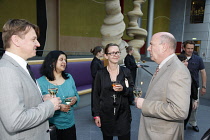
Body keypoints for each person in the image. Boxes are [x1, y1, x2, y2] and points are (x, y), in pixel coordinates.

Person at [0, 19, 61, 140]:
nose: (38, 44)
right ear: (16, 40)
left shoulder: (20, 67)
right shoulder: (6, 71)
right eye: (33, 39)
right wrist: (49, 106)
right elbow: (15, 121)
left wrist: (41, 100)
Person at [135, 32, 191, 140]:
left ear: (164, 47)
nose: (148, 48)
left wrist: (144, 104)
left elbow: (179, 111)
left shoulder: (178, 70)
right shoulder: (166, 66)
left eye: (151, 44)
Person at [92, 43, 134, 140]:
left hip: (123, 113)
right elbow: (96, 95)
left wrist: (123, 89)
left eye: (117, 52)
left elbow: (132, 90)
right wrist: (96, 114)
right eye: (112, 53)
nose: (116, 55)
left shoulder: (126, 72)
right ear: (106, 56)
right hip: (106, 114)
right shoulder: (100, 73)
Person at [37, 50, 80, 140]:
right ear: (52, 62)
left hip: (70, 123)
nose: (64, 62)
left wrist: (75, 99)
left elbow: (76, 94)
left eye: (65, 60)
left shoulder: (69, 78)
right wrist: (59, 107)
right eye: (61, 59)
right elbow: (38, 104)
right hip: (52, 126)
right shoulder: (41, 82)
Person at [182, 40, 207, 132]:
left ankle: (193, 123)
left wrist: (204, 86)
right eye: (188, 48)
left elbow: (203, 73)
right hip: (181, 88)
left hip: (194, 88)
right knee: (182, 106)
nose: (190, 50)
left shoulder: (198, 59)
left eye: (192, 48)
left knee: (194, 107)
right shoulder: (178, 58)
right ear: (183, 48)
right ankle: (181, 123)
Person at [177, 54, 198, 130]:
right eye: (183, 61)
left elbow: (193, 87)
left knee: (185, 119)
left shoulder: (189, 72)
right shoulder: (173, 73)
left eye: (186, 61)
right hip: (177, 100)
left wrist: (195, 100)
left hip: (188, 100)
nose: (186, 63)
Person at [90, 46, 104, 116]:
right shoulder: (95, 62)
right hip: (96, 83)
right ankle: (96, 114)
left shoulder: (99, 61)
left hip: (100, 82)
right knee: (96, 99)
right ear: (98, 53)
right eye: (102, 52)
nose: (103, 53)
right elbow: (94, 74)